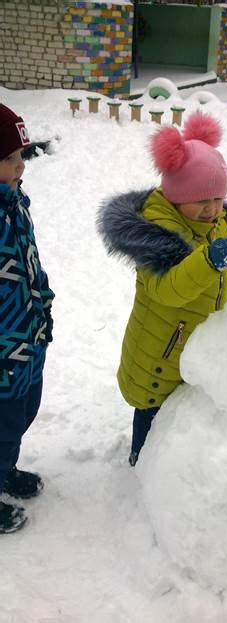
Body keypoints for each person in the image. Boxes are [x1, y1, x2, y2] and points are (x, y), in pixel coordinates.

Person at [98, 111, 227, 466]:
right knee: (151, 415)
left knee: (181, 414)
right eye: (202, 202)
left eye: (218, 200)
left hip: (190, 346)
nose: (213, 210)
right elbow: (170, 290)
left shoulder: (216, 223)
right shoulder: (157, 237)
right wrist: (209, 261)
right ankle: (141, 461)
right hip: (159, 355)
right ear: (177, 196)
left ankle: (172, 468)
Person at [0, 104, 55, 533]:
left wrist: (44, 306)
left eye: (22, 156)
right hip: (2, 351)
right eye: (9, 159)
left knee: (21, 415)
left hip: (26, 339)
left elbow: (30, 261)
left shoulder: (14, 203)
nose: (21, 166)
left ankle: (5, 469)